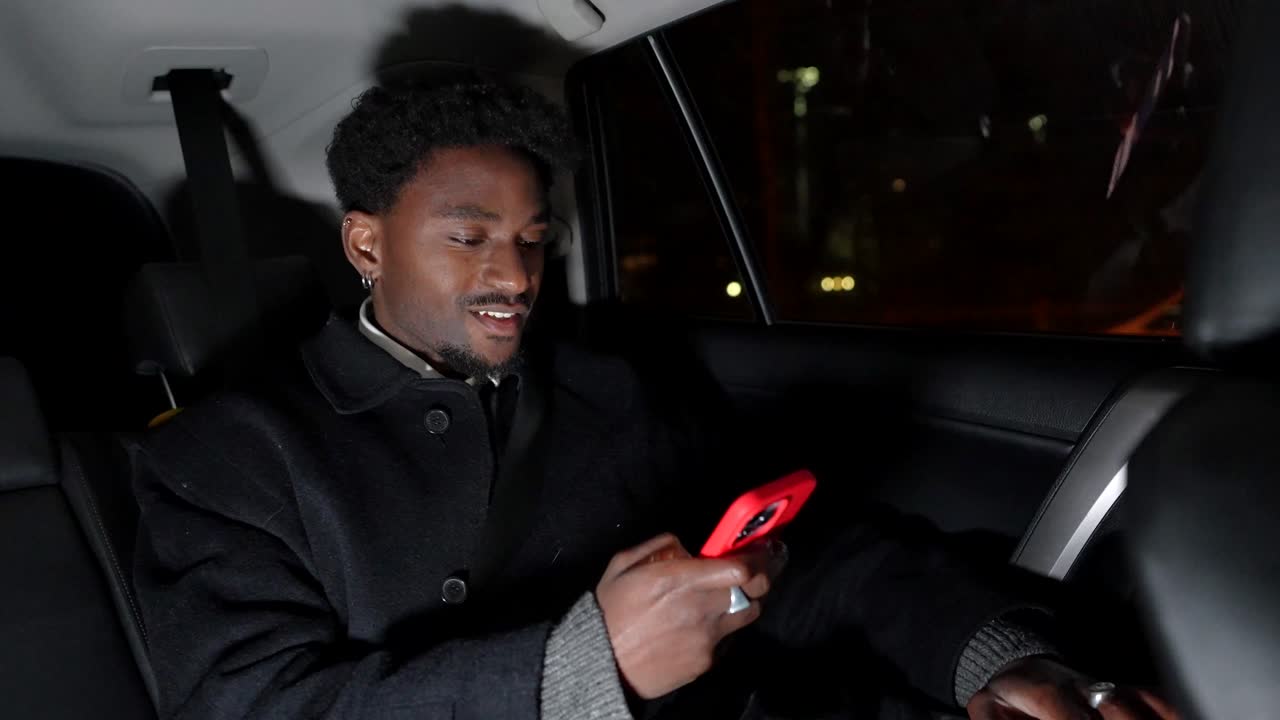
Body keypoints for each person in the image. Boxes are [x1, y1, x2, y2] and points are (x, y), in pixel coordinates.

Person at [132, 80, 1178, 720]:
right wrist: (582, 671)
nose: (515, 274)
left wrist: (994, 658)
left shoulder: (611, 389)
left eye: (535, 240)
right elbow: (251, 707)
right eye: (469, 237)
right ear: (365, 243)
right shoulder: (229, 458)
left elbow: (806, 562)